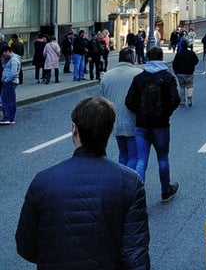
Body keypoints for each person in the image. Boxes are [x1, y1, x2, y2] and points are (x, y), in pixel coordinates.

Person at [15, 96, 150, 269]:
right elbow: (135, 256)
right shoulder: (130, 182)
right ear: (109, 131)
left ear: (74, 129)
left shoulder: (43, 181)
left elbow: (26, 247)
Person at [125, 46, 180, 202]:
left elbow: (129, 101)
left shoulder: (139, 78)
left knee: (141, 159)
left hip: (141, 125)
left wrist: (140, 112)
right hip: (161, 125)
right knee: (162, 158)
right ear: (162, 57)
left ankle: (137, 196)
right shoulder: (167, 77)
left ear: (148, 58)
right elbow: (175, 99)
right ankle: (166, 191)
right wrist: (165, 112)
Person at [100, 47, 142, 169]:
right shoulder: (139, 74)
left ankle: (122, 176)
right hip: (133, 120)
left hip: (115, 121)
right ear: (133, 59)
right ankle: (128, 178)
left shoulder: (107, 76)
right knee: (134, 156)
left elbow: (103, 98)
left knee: (123, 154)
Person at [172, 39, 199, 107]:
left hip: (180, 73)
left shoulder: (178, 54)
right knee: (190, 85)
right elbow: (196, 60)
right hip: (189, 72)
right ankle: (189, 97)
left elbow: (174, 63)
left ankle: (182, 101)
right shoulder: (191, 53)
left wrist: (176, 72)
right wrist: (192, 65)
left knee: (182, 87)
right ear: (187, 45)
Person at [1, 46, 21, 124]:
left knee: (7, 100)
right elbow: (6, 68)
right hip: (10, 82)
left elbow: (13, 73)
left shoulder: (13, 60)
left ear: (8, 51)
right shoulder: (11, 59)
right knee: (7, 99)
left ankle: (8, 118)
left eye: (4, 53)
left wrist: (5, 80)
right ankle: (9, 118)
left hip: (10, 82)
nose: (4, 54)